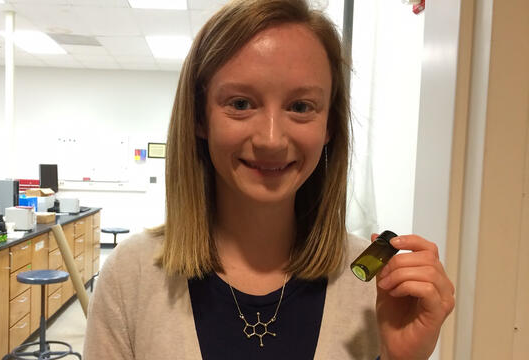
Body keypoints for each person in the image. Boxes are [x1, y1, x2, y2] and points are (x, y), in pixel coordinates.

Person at [84, 0, 455, 359]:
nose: (272, 140)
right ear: (199, 117)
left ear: (329, 126)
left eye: (300, 106)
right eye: (241, 104)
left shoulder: (371, 282)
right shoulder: (130, 277)